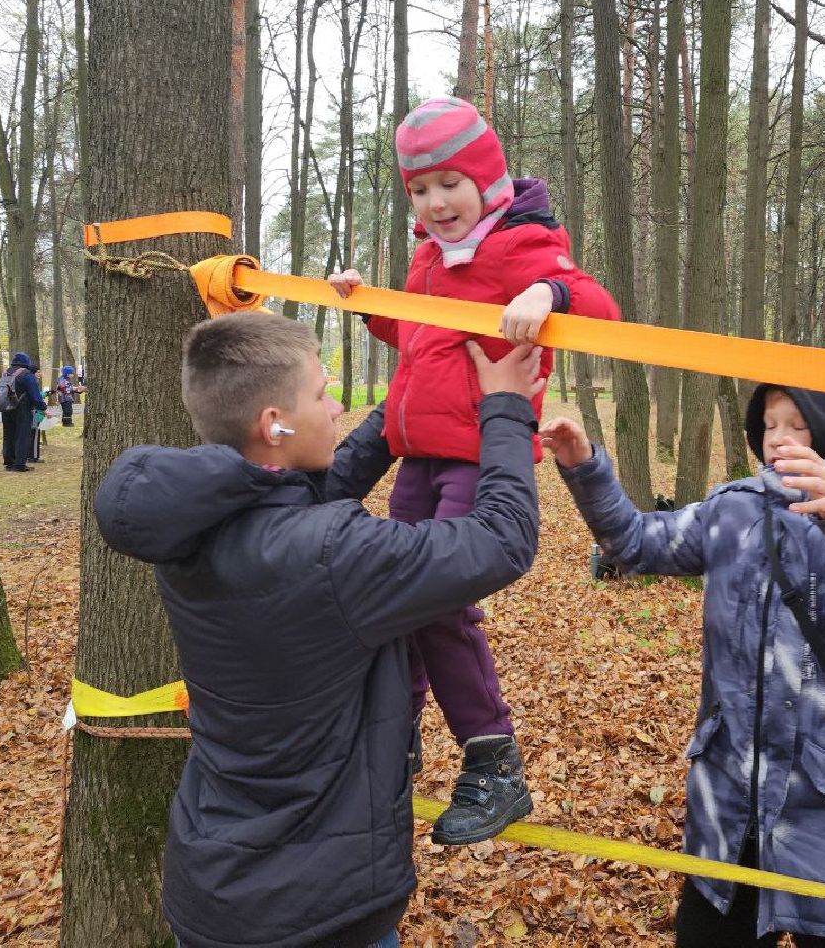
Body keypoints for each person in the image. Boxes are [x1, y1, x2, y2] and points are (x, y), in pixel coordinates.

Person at [94, 310, 546, 948]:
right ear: (273, 423)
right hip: (317, 916)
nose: (336, 406)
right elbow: (501, 540)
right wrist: (503, 407)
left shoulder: (192, 530)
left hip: (215, 888)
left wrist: (410, 401)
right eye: (321, 393)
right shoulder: (334, 555)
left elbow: (308, 490)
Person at [541, 385, 825, 947]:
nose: (778, 438)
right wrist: (585, 469)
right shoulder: (733, 509)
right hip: (731, 802)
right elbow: (634, 544)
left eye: (796, 424)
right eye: (769, 424)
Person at [327, 94, 620, 845]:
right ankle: (398, 735)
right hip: (420, 452)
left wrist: (545, 293)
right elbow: (421, 339)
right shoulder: (430, 256)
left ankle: (494, 760)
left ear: (486, 180)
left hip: (480, 456)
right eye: (419, 190)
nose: (435, 202)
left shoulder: (520, 242)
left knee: (437, 597)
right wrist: (368, 307)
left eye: (449, 183)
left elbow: (600, 308)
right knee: (399, 598)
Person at [0, 352, 46, 472]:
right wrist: (43, 407)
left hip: (5, 408)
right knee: (22, 435)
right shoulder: (26, 374)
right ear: (26, 362)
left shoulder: (4, 373)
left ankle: (9, 462)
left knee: (8, 435)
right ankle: (19, 464)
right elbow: (35, 394)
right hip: (22, 409)